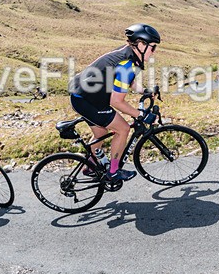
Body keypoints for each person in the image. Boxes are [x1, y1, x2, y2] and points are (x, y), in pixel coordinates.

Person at [69, 24, 161, 181]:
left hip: (83, 95)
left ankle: (90, 165)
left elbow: (127, 82)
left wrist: (144, 91)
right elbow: (117, 101)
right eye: (153, 47)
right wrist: (141, 115)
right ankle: (113, 172)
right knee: (123, 129)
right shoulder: (127, 64)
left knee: (101, 133)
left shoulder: (127, 53)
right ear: (141, 44)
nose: (154, 52)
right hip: (87, 100)